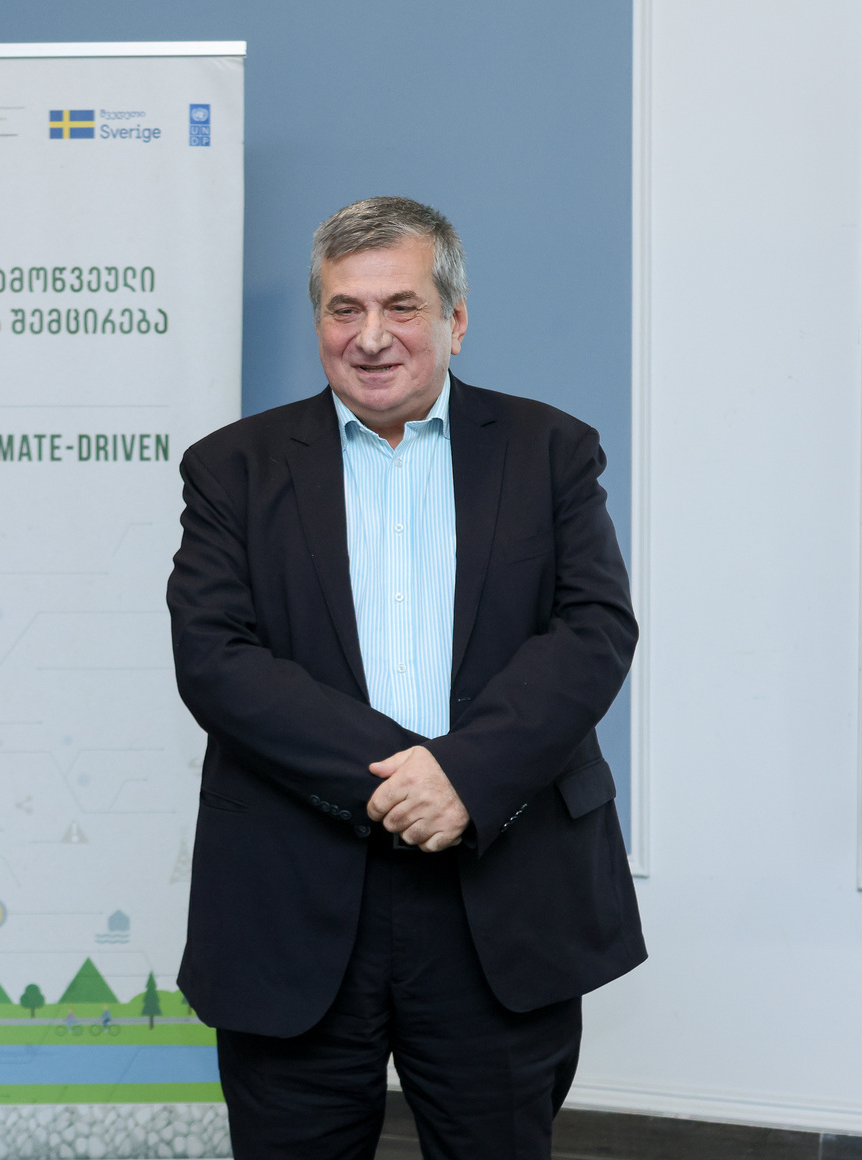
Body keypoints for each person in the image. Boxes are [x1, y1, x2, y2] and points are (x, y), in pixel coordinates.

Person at [166, 197, 644, 1160]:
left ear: (456, 321)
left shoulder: (551, 450)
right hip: (293, 893)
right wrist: (411, 778)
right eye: (344, 309)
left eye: (402, 306)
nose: (372, 336)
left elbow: (593, 630)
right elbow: (216, 659)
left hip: (498, 891)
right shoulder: (232, 469)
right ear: (318, 322)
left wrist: (466, 777)